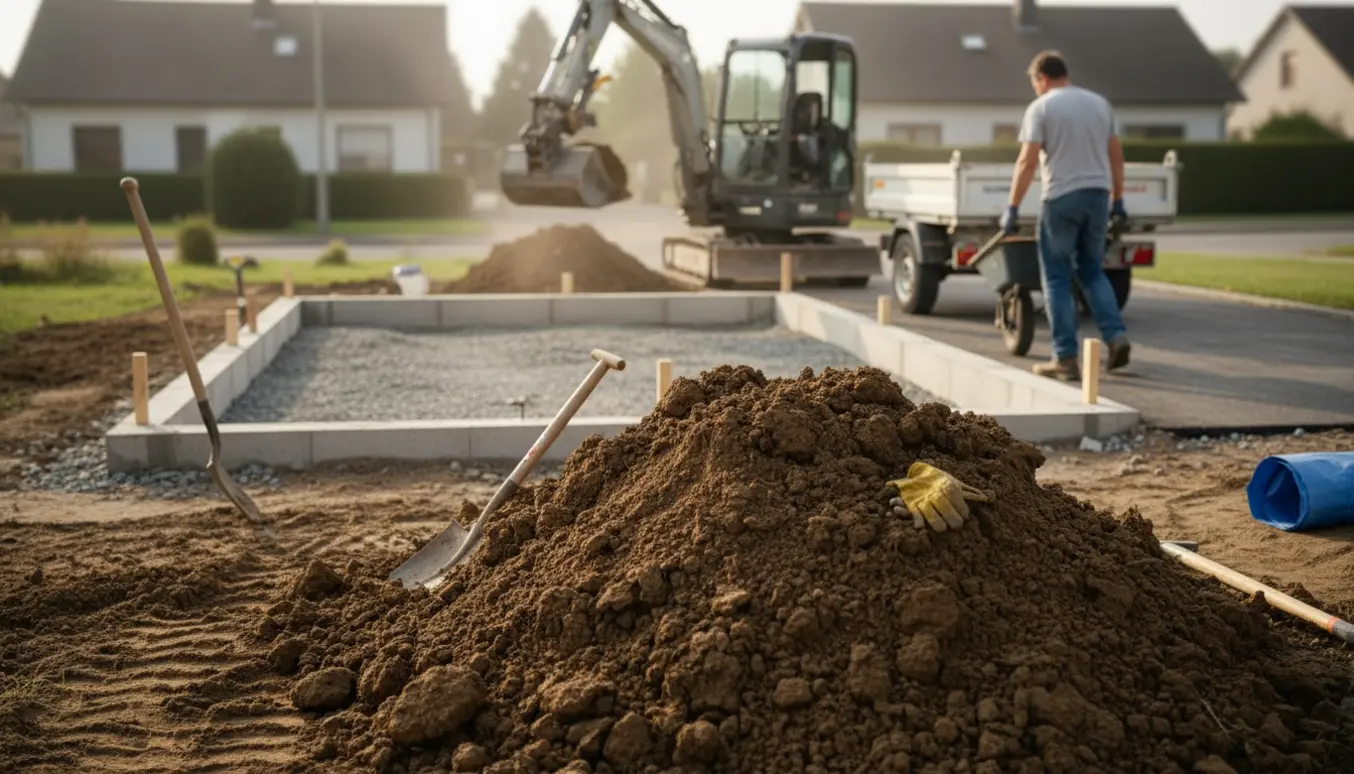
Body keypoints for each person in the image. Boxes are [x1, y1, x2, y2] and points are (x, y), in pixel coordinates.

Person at [1001, 51, 1131, 381]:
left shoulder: (1042, 107)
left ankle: (1065, 358)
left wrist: (1013, 206)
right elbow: (1116, 156)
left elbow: (1027, 162)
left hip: (1061, 199)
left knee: (1057, 277)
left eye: (1034, 84)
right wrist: (1118, 198)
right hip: (1098, 198)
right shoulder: (1100, 104)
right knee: (1092, 270)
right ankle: (1116, 338)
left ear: (1042, 78)